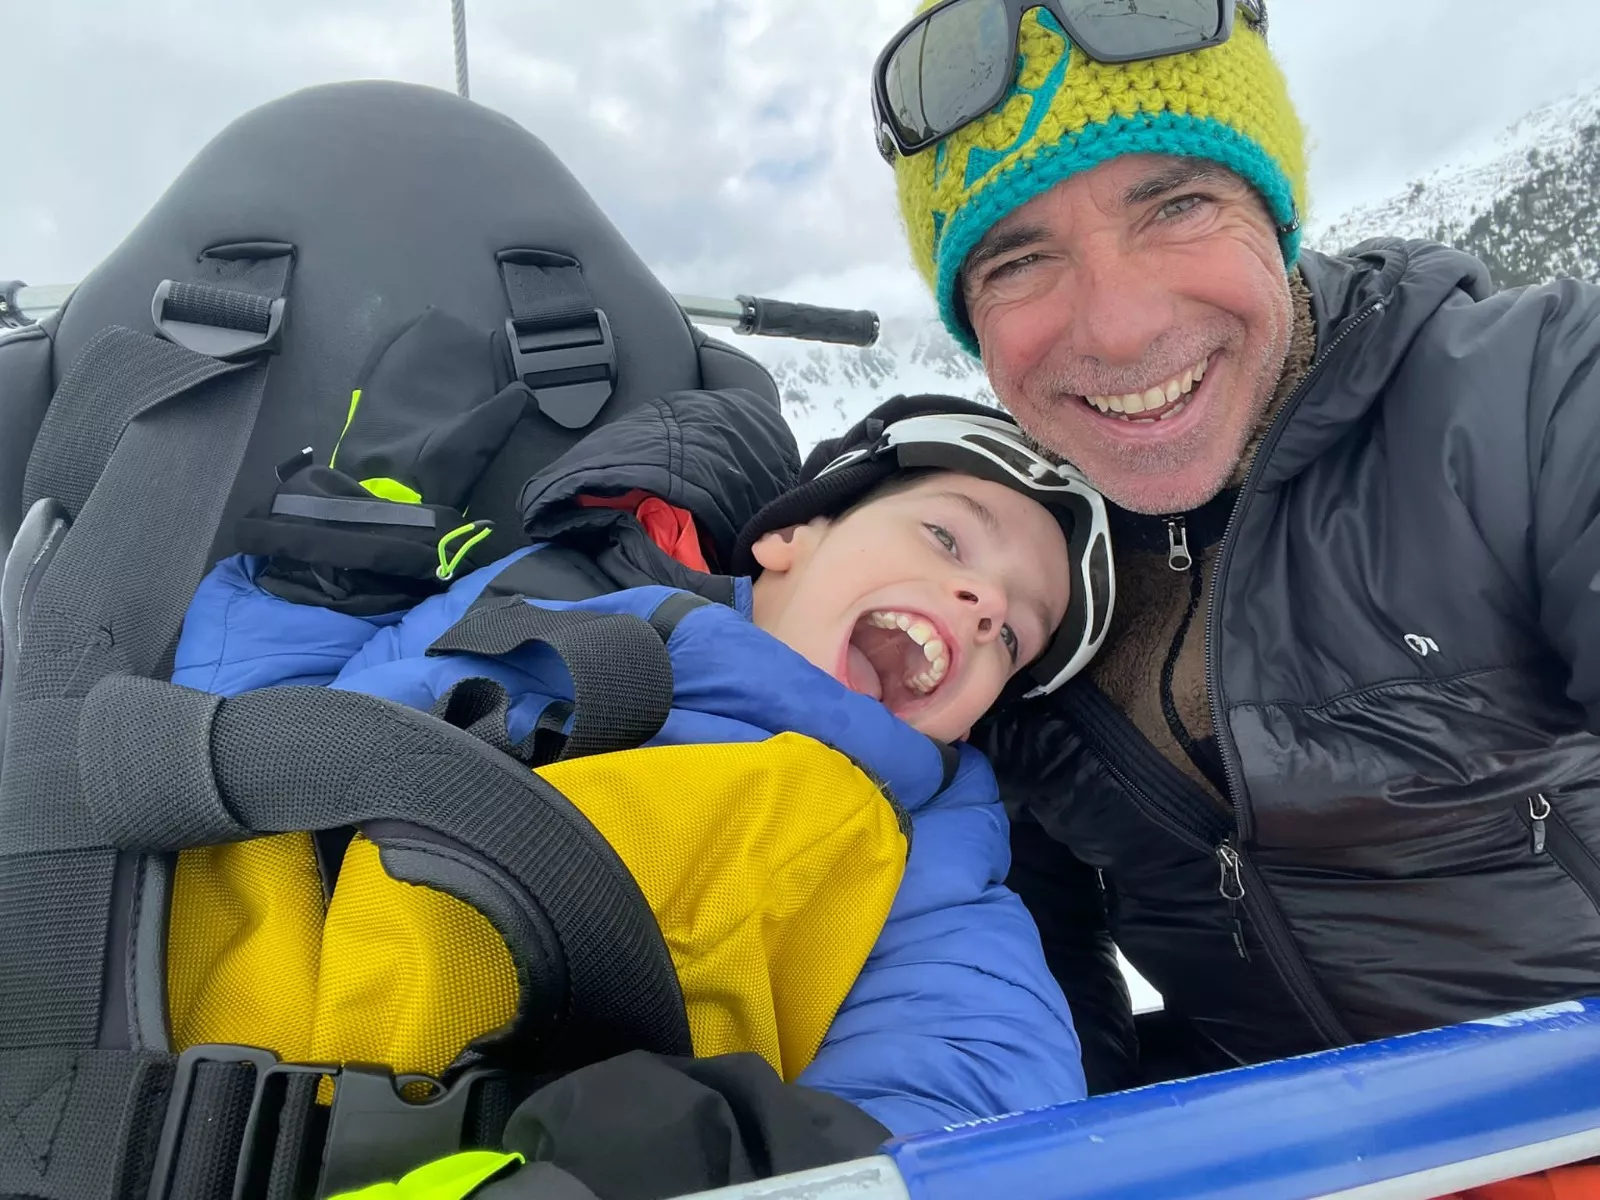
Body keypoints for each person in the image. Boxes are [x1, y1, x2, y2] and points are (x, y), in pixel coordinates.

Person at [870, 0, 1600, 1102]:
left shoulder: (1526, 403)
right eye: (1018, 260)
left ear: (1276, 215)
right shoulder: (1004, 568)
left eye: (1176, 204)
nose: (1115, 328)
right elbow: (1027, 941)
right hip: (1253, 1140)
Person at [171, 389, 1107, 1138]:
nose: (986, 604)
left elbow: (976, 1064)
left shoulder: (928, 833)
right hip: (215, 1067)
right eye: (947, 537)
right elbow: (267, 741)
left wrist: (764, 1154)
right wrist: (314, 588)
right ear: (790, 538)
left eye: (1014, 637)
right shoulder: (549, 600)